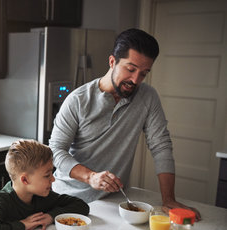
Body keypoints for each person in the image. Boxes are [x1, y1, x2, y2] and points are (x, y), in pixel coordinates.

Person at [49, 28, 201, 220]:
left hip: (114, 203)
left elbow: (161, 145)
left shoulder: (148, 97)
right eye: (130, 69)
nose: (135, 80)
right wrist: (91, 177)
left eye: (144, 73)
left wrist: (168, 199)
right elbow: (55, 150)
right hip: (67, 201)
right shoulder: (77, 100)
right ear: (112, 62)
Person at [0, 139, 90, 230]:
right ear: (25, 180)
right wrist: (23, 224)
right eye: (47, 175)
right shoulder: (1, 199)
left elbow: (82, 206)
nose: (53, 179)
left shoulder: (42, 196)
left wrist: (51, 216)